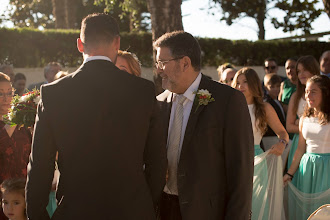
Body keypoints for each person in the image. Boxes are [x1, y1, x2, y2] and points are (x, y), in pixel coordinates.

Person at [26, 13, 167, 220]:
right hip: (132, 211)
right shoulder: (143, 90)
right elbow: (157, 160)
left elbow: (40, 165)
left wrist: (37, 216)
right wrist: (144, 204)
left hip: (75, 212)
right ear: (117, 42)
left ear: (79, 45)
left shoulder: (53, 93)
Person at [155, 31, 254, 220]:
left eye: (162, 62)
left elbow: (240, 172)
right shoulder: (159, 102)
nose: (159, 69)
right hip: (164, 211)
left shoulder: (227, 100)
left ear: (184, 63)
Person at [232, 67, 289, 220]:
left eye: (245, 82)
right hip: (233, 159)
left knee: (256, 203)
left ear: (254, 84)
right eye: (237, 83)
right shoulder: (230, 107)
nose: (240, 86)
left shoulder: (264, 108)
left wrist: (281, 144)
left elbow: (283, 133)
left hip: (256, 159)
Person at [284, 75, 330, 219]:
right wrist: (289, 174)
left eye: (313, 91)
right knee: (306, 212)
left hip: (326, 169)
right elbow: (300, 149)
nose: (308, 95)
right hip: (306, 169)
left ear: (325, 93)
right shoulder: (304, 119)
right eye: (306, 91)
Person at [0, 72, 31, 220]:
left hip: (24, 199)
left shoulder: (23, 124)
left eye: (9, 93)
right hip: (3, 200)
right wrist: (14, 119)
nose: (6, 99)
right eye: (0, 94)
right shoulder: (15, 121)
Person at [286, 55, 320, 170]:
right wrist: (307, 126)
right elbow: (289, 126)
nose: (301, 74)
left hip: (321, 144)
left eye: (305, 70)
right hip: (298, 144)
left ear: (313, 69)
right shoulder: (295, 96)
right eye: (299, 71)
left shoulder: (325, 94)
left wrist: (299, 122)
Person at [262, 74, 286, 153]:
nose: (276, 89)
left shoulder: (278, 102)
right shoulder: (267, 103)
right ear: (266, 87)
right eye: (272, 87)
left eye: (278, 86)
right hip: (270, 138)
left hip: (279, 138)